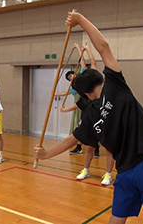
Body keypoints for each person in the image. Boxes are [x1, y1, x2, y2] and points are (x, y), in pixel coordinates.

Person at [34, 11, 143, 224]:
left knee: (116, 220)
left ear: (86, 95)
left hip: (125, 172)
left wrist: (45, 155)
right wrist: (81, 20)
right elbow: (104, 47)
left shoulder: (90, 114)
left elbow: (71, 140)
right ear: (101, 77)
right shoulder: (115, 85)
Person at [60, 43, 113, 185]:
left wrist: (86, 49)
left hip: (105, 121)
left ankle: (108, 174)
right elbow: (76, 105)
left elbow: (92, 63)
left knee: (109, 149)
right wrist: (80, 49)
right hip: (92, 122)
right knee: (90, 147)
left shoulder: (99, 85)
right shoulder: (85, 94)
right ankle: (85, 170)